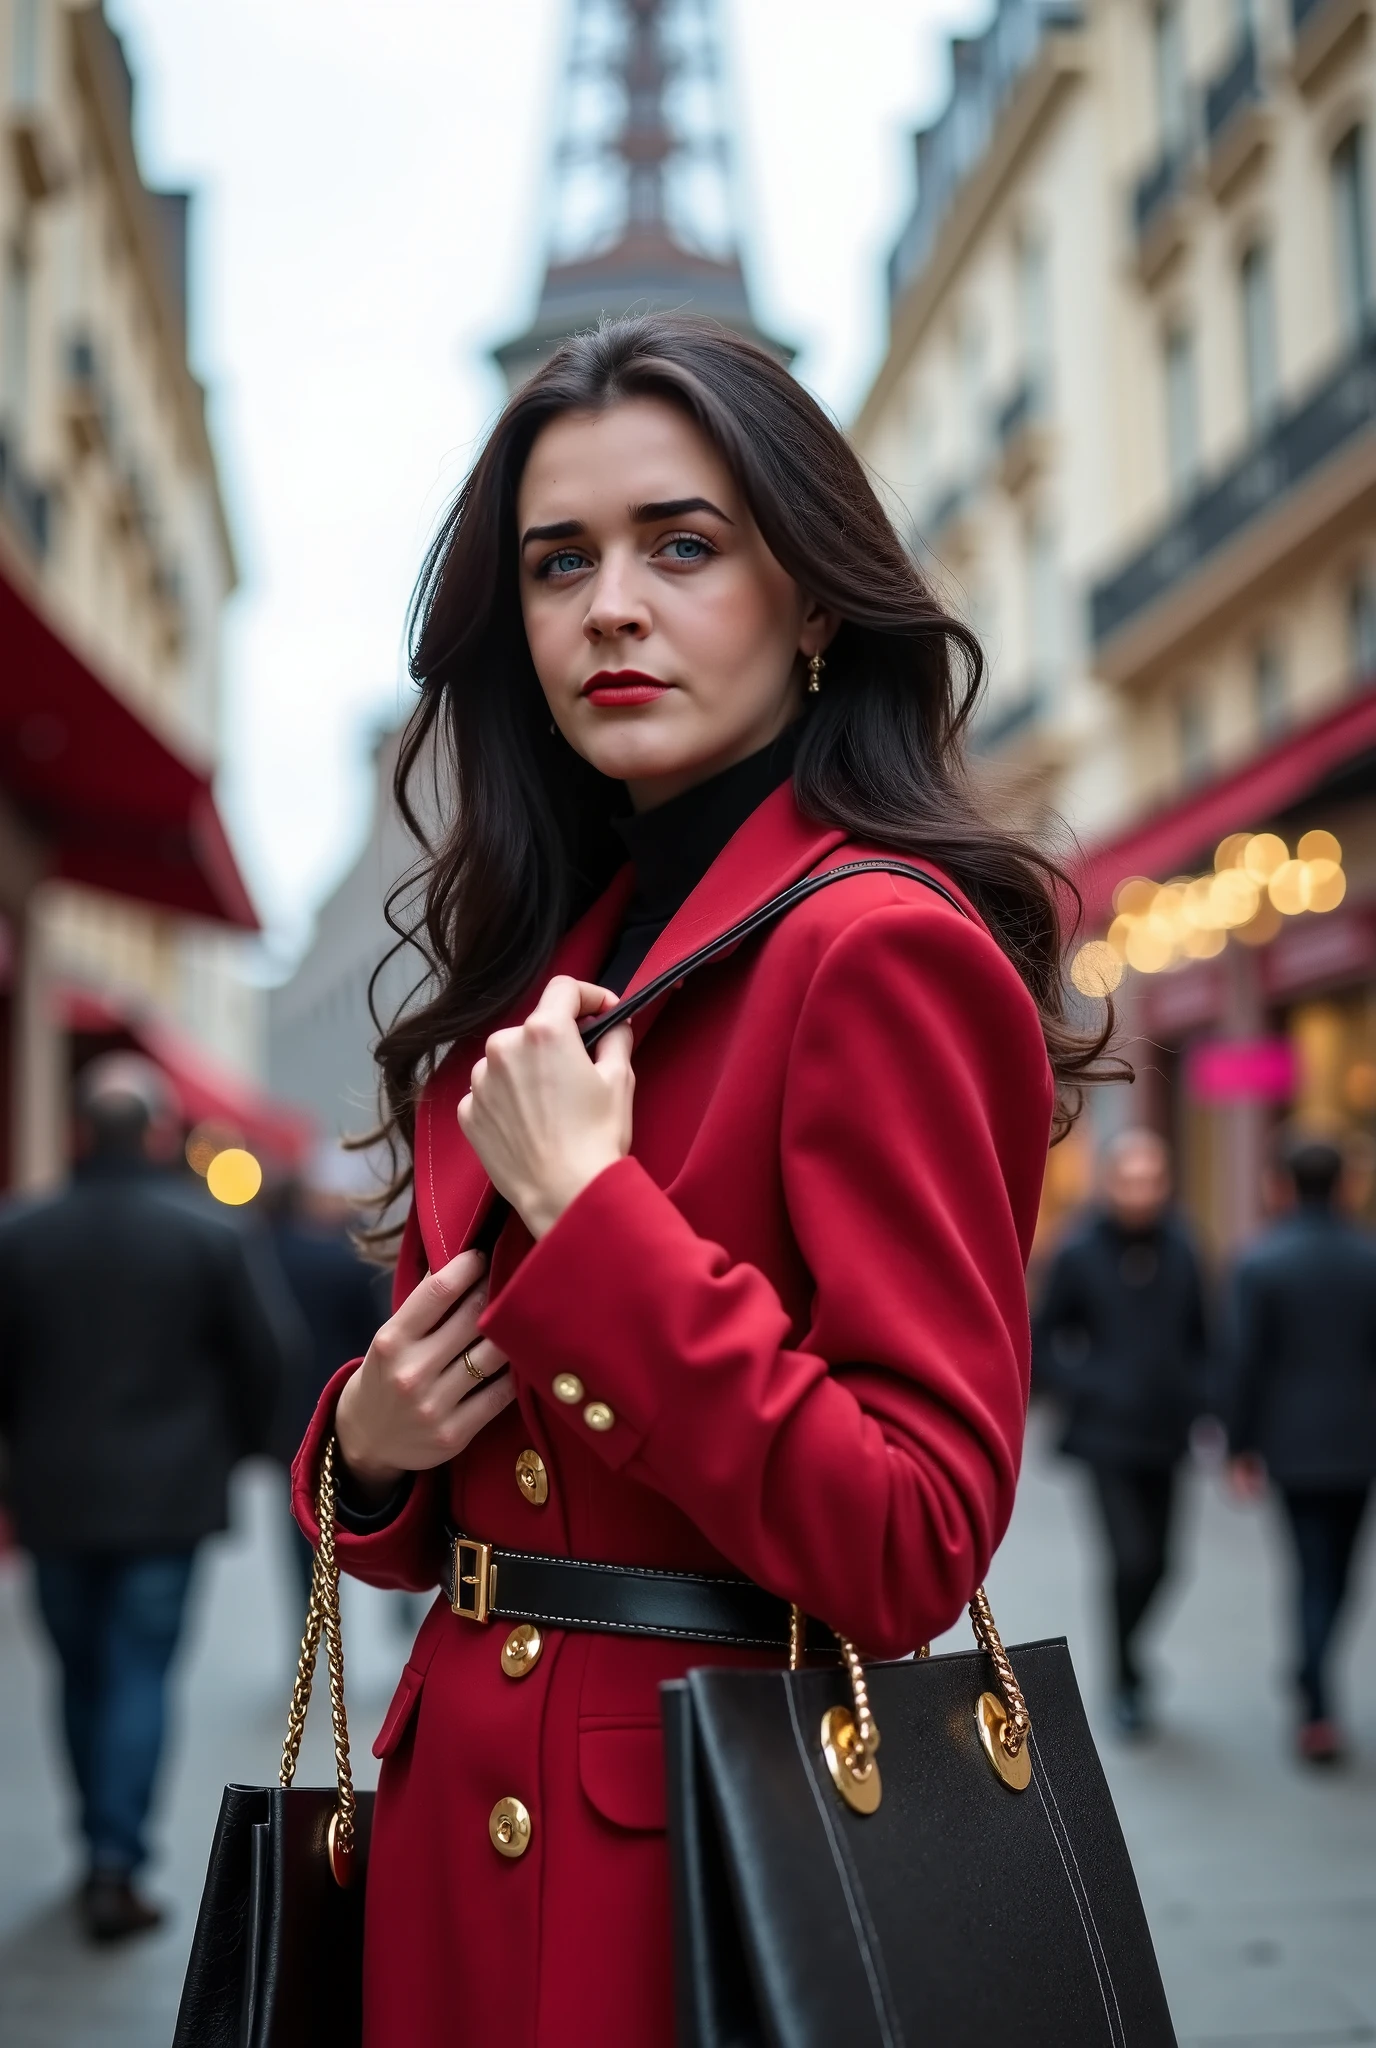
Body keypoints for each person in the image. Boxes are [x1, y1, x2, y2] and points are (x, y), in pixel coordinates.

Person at [290, 314, 1114, 2047]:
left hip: (706, 1869)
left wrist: (599, 1226)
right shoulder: (534, 969)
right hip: (446, 1853)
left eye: (682, 546)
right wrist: (367, 1438)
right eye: (558, 561)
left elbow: (913, 1537)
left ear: (811, 602)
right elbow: (460, 1493)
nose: (610, 606)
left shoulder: (876, 948)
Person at [0, 1055, 294, 1940]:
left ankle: (100, 1844)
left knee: (81, 1673)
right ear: (161, 1133)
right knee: (137, 1672)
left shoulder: (22, 1233)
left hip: (53, 1492)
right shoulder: (207, 1233)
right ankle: (115, 1860)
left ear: (82, 1131)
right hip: (169, 1496)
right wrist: (232, 1451)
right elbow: (269, 1356)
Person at [1033, 1128, 1208, 1735]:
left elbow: (1203, 1335)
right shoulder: (1079, 1251)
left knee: (1163, 1564)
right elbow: (1044, 1338)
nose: (1142, 1191)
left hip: (1167, 1433)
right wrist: (1088, 1384)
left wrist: (1200, 1394)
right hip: (1104, 1437)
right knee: (1129, 1558)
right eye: (1130, 1179)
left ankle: (1131, 1658)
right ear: (1109, 1183)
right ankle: (1124, 1680)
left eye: (1152, 1179)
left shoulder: (1183, 1248)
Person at [1229, 1134, 1376, 1764]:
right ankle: (1314, 1684)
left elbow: (1242, 1363)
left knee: (1311, 1569)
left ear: (1282, 1187)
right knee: (1338, 1574)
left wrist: (1239, 1446)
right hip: (1359, 1442)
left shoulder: (1261, 1262)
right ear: (1347, 1186)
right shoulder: (1368, 1258)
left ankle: (1313, 1696)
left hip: (1291, 1444)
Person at [267, 1148, 390, 1605]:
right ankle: (330, 1600)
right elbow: (375, 1336)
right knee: (340, 1509)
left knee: (297, 1514)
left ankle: (310, 1606)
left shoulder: (276, 1249)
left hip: (290, 1406)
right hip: (342, 1401)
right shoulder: (353, 1260)